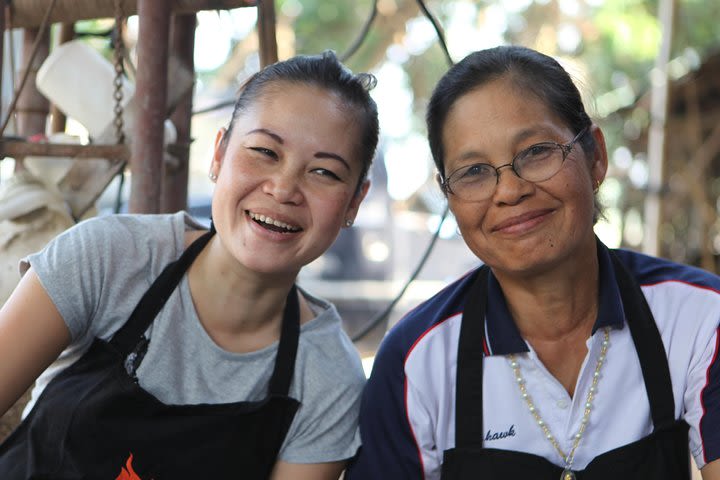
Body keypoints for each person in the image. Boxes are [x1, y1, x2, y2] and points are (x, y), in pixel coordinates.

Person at [346, 45, 720, 480]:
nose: (509, 191)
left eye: (536, 151)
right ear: (449, 197)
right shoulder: (417, 362)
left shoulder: (698, 318)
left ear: (595, 156)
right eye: (474, 172)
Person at [0, 50, 379, 479]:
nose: (283, 188)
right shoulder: (108, 258)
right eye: (264, 151)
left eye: (324, 173)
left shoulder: (326, 378)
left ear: (354, 202)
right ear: (218, 155)